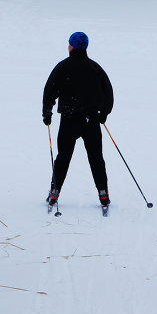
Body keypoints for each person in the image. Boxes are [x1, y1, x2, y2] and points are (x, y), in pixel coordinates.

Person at [43, 31, 113, 207]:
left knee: (63, 158)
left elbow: (50, 90)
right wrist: (104, 113)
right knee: (96, 157)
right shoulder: (95, 68)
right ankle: (103, 194)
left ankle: (54, 193)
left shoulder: (63, 67)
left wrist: (47, 112)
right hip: (91, 120)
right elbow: (108, 93)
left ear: (71, 46)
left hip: (69, 120)